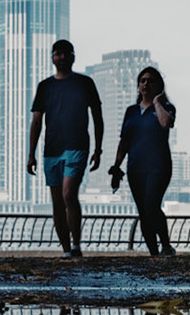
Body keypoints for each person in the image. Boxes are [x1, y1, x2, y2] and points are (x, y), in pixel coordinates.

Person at [27, 39, 104, 257]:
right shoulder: (45, 87)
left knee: (69, 194)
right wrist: (31, 154)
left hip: (77, 146)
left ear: (73, 56)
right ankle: (66, 249)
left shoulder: (85, 83)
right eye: (57, 53)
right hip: (51, 149)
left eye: (65, 53)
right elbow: (36, 121)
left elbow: (97, 117)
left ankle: (76, 244)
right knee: (57, 201)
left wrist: (98, 149)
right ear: (52, 57)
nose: (61, 57)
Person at [109, 66, 177, 257]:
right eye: (142, 80)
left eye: (150, 81)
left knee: (151, 205)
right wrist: (116, 167)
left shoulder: (167, 108)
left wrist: (157, 102)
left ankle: (166, 245)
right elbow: (124, 141)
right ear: (138, 85)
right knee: (143, 212)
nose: (146, 84)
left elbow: (165, 123)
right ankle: (154, 254)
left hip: (159, 166)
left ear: (159, 86)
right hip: (135, 167)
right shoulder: (130, 111)